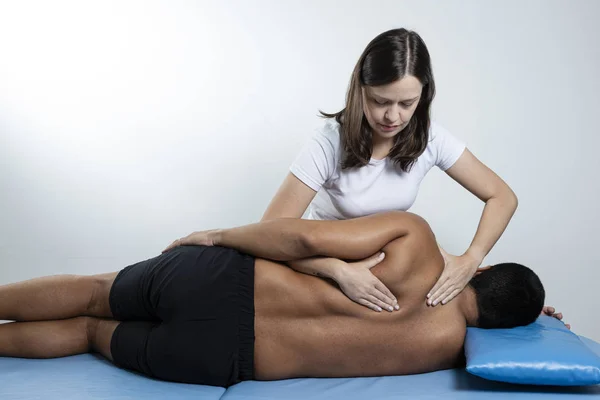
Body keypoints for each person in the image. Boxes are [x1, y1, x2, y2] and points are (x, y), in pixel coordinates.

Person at [0, 211, 549, 388]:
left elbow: (306, 239)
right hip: (224, 357)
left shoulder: (417, 241)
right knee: (86, 333)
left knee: (98, 292)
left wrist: (218, 236)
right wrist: (535, 319)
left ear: (486, 268)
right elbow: (501, 333)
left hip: (226, 282)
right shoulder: (453, 350)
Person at [259, 27, 520, 309]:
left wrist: (471, 259)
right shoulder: (329, 141)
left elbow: (502, 197)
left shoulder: (431, 138)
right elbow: (270, 234)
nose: (393, 116)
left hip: (387, 272)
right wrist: (338, 270)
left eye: (407, 103)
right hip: (321, 267)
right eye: (380, 101)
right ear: (360, 91)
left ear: (423, 96)